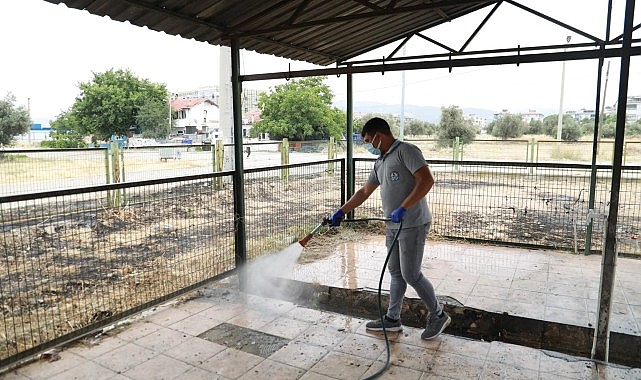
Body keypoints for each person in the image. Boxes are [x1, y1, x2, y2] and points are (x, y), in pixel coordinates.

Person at [330, 117, 450, 340]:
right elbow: (364, 192)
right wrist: (342, 211)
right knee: (396, 272)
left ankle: (439, 314)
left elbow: (427, 180)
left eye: (368, 140)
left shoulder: (407, 151)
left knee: (411, 274)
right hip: (393, 224)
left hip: (412, 222)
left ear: (379, 135)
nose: (369, 145)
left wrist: (404, 207)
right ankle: (393, 319)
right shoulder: (381, 161)